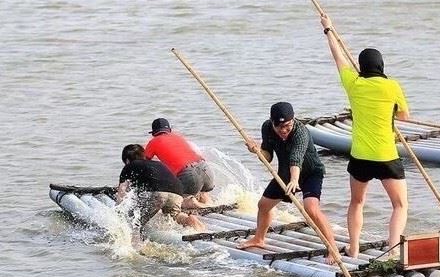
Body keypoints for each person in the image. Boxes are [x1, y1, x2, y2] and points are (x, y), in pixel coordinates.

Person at [321, 14, 409, 259]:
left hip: (360, 156)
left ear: (362, 66)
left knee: (357, 203)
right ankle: (392, 250)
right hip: (386, 156)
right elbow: (404, 116)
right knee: (400, 205)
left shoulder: (354, 85)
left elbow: (338, 59)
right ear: (381, 66)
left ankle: (355, 248)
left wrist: (329, 30)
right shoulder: (392, 86)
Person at [237, 102, 338, 256]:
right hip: (285, 173)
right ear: (272, 123)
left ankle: (332, 248)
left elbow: (296, 158)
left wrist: (295, 180)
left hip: (311, 172)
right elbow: (268, 157)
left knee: (311, 209)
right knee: (263, 205)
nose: (284, 130)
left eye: (288, 126)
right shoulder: (267, 128)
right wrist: (257, 151)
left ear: (293, 120)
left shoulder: (301, 132)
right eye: (280, 127)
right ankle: (259, 238)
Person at [117, 144, 204, 232]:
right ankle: (189, 220)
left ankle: (136, 244)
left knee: (135, 222)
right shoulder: (158, 163)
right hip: (177, 192)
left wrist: (118, 210)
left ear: (127, 160)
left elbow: (122, 191)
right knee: (175, 216)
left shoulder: (129, 166)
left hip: (158, 193)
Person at [145, 118, 215, 204]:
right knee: (203, 193)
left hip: (188, 174)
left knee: (181, 201)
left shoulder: (153, 142)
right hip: (205, 168)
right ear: (169, 130)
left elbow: (143, 162)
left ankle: (201, 206)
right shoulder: (178, 137)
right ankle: (211, 204)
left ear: (153, 133)